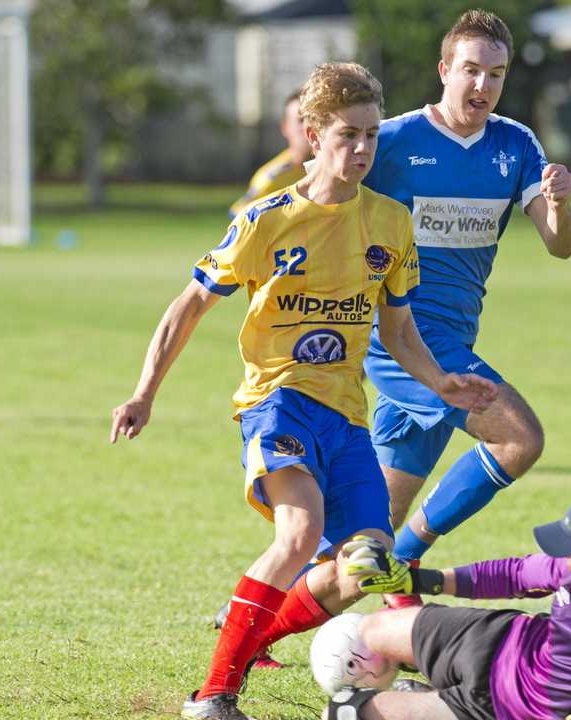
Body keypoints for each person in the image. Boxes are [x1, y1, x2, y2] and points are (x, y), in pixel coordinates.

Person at [109, 61, 498, 720]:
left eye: (372, 135)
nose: (363, 150)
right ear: (314, 135)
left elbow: (399, 330)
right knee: (300, 533)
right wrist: (144, 392)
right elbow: (188, 306)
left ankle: (253, 641)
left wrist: (441, 382)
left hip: (347, 417)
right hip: (277, 400)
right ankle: (214, 696)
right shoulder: (268, 220)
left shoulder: (392, 224)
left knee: (367, 564)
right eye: (349, 135)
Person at [360, 9, 571, 606]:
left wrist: (559, 205)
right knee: (520, 439)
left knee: (367, 526)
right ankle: (404, 564)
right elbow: (326, 201)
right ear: (444, 70)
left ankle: (255, 619)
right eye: (471, 70)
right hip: (399, 344)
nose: (482, 86)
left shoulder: (516, 145)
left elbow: (560, 246)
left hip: (451, 338)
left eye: (496, 74)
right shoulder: (394, 142)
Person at [333, 485, 571, 720]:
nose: (565, 560)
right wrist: (416, 579)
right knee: (372, 630)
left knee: (343, 712)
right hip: (501, 639)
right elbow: (516, 574)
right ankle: (430, 690)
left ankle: (432, 701)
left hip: (504, 708)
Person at [229, 90, 312, 219]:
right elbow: (240, 214)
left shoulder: (337, 168)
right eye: (300, 120)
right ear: (285, 127)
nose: (308, 126)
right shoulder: (273, 177)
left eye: (313, 119)